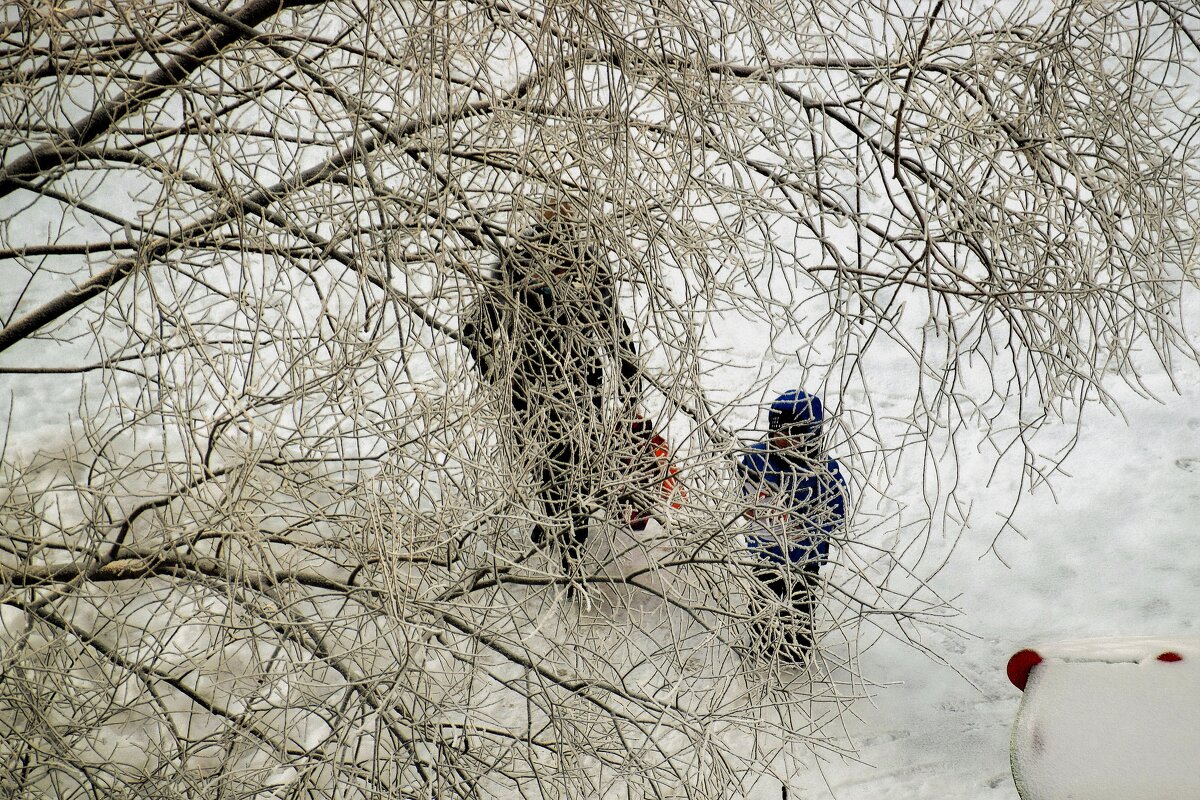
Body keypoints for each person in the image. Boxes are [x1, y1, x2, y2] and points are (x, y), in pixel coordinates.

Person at [461, 203, 640, 584]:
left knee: (580, 471)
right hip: (530, 390)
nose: (559, 246)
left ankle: (567, 543)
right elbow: (475, 328)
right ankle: (561, 541)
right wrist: (496, 374)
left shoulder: (588, 266)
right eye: (552, 234)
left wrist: (630, 386)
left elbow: (614, 329)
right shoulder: (516, 265)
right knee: (548, 470)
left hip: (581, 390)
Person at [739, 389, 847, 663]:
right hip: (766, 554)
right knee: (764, 603)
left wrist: (811, 524)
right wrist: (756, 505)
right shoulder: (757, 460)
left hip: (804, 558)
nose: (779, 440)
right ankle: (762, 651)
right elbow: (745, 498)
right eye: (775, 432)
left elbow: (838, 509)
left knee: (800, 606)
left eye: (789, 434)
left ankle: (795, 654)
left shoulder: (823, 468)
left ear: (809, 434)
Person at [617, 415, 685, 532]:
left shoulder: (654, 447)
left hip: (635, 492)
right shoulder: (654, 446)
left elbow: (667, 472)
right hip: (629, 490)